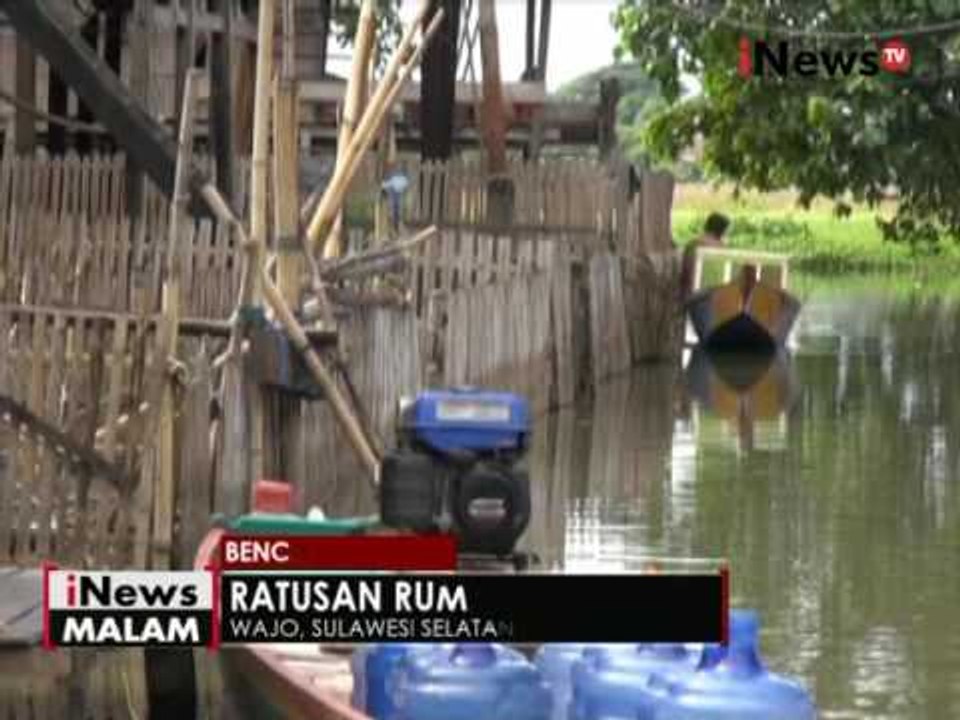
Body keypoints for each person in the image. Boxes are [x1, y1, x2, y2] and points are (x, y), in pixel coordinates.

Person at [680, 212, 730, 300]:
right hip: (713, 294)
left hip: (694, 292)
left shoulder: (693, 244)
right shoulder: (722, 248)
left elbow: (686, 270)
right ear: (722, 230)